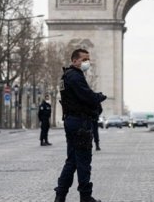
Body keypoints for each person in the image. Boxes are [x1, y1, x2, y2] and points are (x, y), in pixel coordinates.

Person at [54, 49, 107, 202]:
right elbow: (86, 96)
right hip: (80, 122)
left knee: (72, 160)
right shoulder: (75, 76)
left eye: (88, 59)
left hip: (72, 120)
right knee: (83, 160)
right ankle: (85, 196)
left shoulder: (66, 76)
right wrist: (99, 97)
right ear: (75, 60)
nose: (87, 62)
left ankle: (60, 195)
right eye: (84, 59)